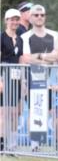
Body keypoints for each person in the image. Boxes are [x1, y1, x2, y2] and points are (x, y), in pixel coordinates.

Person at [2, 9, 25, 152]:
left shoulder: (21, 39)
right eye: (12, 19)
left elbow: (21, 60)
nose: (14, 22)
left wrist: (23, 81)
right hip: (3, 76)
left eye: (17, 19)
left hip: (16, 78)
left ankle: (12, 145)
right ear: (6, 21)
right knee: (3, 112)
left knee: (15, 112)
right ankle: (2, 143)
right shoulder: (1, 37)